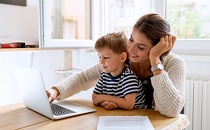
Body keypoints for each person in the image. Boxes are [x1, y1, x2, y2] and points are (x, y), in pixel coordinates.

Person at [47, 13, 186, 117]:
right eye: (131, 40)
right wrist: (55, 91)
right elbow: (84, 77)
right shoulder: (123, 57)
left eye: (141, 47)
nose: (131, 49)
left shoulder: (174, 64)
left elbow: (171, 110)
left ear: (159, 47)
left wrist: (155, 59)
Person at [92, 31, 145, 110]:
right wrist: (105, 103)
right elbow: (95, 97)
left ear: (122, 57)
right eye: (99, 57)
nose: (101, 62)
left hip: (136, 116)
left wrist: (104, 97)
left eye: (106, 57)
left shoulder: (129, 77)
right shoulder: (104, 75)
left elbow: (129, 104)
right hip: (118, 114)